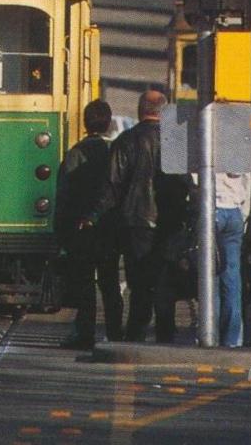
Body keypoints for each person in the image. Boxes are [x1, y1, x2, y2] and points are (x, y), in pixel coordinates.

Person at [86, 88, 188, 344]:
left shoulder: (126, 141)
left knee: (139, 284)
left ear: (140, 111)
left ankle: (136, 334)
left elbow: (112, 184)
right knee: (165, 282)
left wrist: (94, 215)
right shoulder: (176, 144)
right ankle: (166, 335)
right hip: (170, 222)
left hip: (135, 223)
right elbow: (186, 184)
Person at [56, 98, 123, 348]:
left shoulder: (75, 154)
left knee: (85, 284)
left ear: (85, 123)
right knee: (110, 283)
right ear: (108, 123)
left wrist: (61, 234)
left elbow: (64, 197)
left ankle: (85, 333)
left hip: (82, 229)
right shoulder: (114, 151)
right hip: (109, 228)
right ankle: (115, 332)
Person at [213, 171, 250, 347]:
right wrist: (243, 216)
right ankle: (232, 339)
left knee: (210, 276)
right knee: (232, 278)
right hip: (235, 211)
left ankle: (210, 333)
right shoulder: (239, 144)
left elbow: (195, 177)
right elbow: (248, 180)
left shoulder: (205, 144)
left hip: (212, 209)